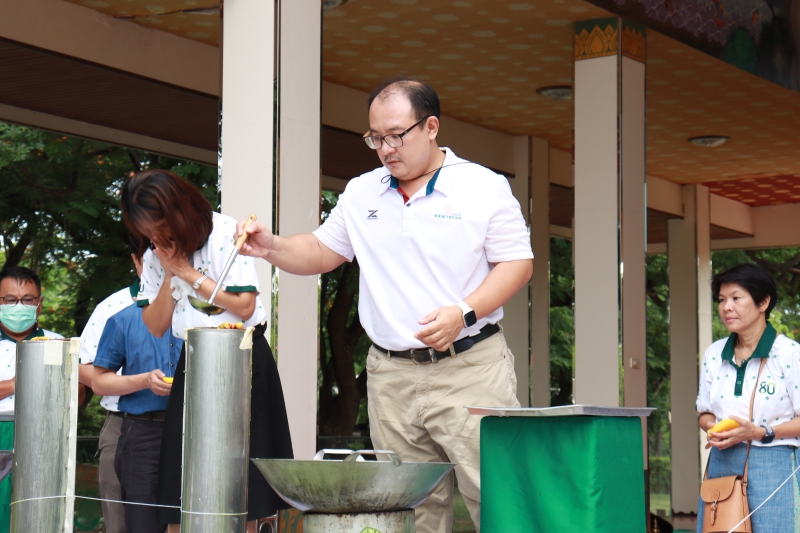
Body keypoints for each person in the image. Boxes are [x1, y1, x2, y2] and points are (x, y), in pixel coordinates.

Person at [236, 76, 533, 532]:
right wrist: (272, 246)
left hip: (470, 368)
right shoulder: (362, 192)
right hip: (390, 376)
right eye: (375, 138)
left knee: (498, 498)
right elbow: (321, 250)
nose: (385, 149)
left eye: (396, 135)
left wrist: (463, 313)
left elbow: (517, 263)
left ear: (431, 127)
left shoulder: (482, 186)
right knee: (409, 509)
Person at [120, 170, 293, 533]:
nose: (157, 238)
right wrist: (170, 275)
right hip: (194, 360)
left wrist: (187, 272)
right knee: (183, 487)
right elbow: (155, 325)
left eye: (160, 227)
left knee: (245, 493)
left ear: (180, 210)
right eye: (148, 231)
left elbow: (244, 306)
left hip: (243, 357)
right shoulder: (154, 254)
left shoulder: (226, 232)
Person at [697, 263, 800, 532]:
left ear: (763, 302)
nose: (726, 307)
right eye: (722, 300)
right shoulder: (714, 354)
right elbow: (704, 412)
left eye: (736, 298)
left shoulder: (789, 354)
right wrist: (714, 428)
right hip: (722, 463)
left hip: (774, 465)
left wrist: (759, 432)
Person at [90, 251, 182, 533]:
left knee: (196, 516)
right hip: (143, 431)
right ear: (140, 262)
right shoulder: (123, 319)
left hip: (192, 429)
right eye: (157, 258)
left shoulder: (202, 316)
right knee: (142, 522)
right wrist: (144, 381)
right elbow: (99, 383)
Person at [78, 252, 143, 533]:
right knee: (118, 516)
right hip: (120, 421)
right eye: (151, 255)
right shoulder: (112, 307)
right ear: (136, 260)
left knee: (171, 514)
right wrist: (134, 383)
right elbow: (84, 365)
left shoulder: (192, 303)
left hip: (176, 422)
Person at [0, 266, 63, 533]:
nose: (19, 306)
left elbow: (78, 394)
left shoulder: (57, 343)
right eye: (10, 300)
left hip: (43, 433)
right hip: (2, 428)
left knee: (38, 513)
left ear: (39, 303)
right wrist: (18, 382)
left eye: (27, 299)